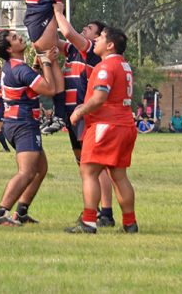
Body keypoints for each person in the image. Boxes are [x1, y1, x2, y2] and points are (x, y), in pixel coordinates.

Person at [66, 27, 139, 234]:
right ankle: (130, 223)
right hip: (125, 124)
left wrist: (80, 111)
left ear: (110, 45)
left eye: (101, 37)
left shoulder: (105, 66)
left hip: (106, 126)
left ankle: (88, 222)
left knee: (88, 171)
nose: (96, 39)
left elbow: (100, 98)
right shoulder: (124, 65)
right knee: (119, 175)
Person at [52, 3, 116, 226]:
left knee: (95, 165)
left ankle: (105, 213)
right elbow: (52, 40)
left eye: (89, 28)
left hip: (83, 113)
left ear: (98, 38)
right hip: (71, 114)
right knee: (83, 164)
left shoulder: (90, 50)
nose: (84, 29)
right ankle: (95, 208)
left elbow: (68, 33)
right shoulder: (72, 50)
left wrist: (58, 12)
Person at [0, 30, 61, 226]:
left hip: (17, 123)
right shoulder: (20, 69)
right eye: (14, 38)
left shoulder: (13, 66)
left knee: (40, 169)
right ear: (9, 49)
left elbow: (27, 85)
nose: (19, 37)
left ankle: (21, 212)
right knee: (27, 172)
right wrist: (47, 62)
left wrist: (37, 66)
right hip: (23, 124)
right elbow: (50, 89)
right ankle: (0, 214)